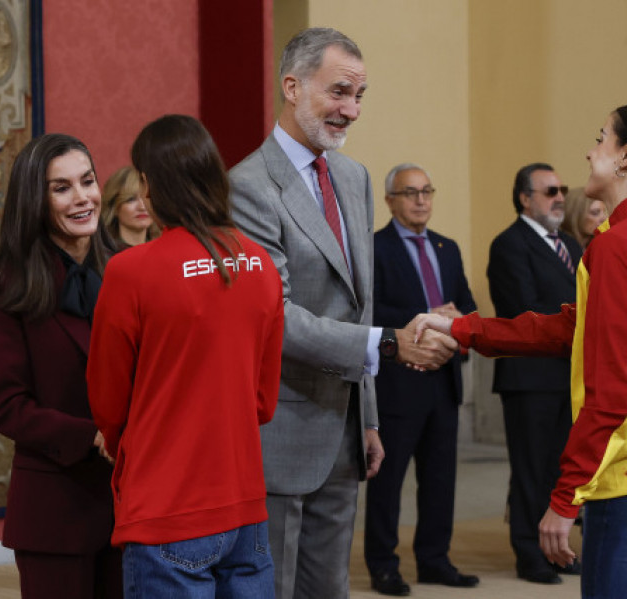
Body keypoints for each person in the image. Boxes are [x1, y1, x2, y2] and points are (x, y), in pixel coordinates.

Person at [415, 103, 627, 599]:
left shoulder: (619, 244)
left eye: (601, 138)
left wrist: (564, 499)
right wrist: (463, 329)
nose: (589, 149)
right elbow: (571, 329)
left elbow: (612, 393)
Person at [229, 27, 458, 599]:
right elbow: (272, 316)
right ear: (291, 86)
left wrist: (370, 417)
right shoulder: (247, 186)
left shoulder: (353, 178)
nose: (351, 111)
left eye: (359, 96)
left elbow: (361, 305)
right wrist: (388, 345)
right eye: (338, 93)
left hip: (346, 425)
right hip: (279, 426)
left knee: (328, 588)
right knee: (272, 587)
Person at [87, 114, 283, 597]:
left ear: (150, 185)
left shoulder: (130, 270)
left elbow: (109, 400)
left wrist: (121, 439)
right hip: (244, 505)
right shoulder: (260, 264)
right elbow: (262, 402)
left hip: (166, 505)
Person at [0, 133, 122, 599]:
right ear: (33, 200)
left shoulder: (128, 268)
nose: (83, 198)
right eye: (62, 188)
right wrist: (92, 436)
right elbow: (8, 406)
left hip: (133, 505)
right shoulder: (4, 280)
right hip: (54, 510)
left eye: (87, 181)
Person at [364, 163, 479, 596]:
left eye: (427, 190)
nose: (421, 200)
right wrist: (427, 325)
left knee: (439, 479)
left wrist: (457, 319)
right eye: (410, 192)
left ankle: (434, 559)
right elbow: (369, 312)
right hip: (398, 382)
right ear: (391, 200)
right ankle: (383, 564)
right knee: (388, 482)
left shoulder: (447, 247)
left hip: (443, 382)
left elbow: (468, 309)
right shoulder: (375, 247)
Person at [487, 163, 582, 585]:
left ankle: (555, 550)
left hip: (568, 375)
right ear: (525, 199)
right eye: (549, 191)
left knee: (560, 470)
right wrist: (571, 319)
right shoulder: (509, 244)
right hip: (529, 379)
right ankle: (529, 553)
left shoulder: (572, 245)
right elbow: (524, 311)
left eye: (561, 189)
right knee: (530, 469)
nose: (559, 197)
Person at [100, 165, 158, 249]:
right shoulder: (104, 254)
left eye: (147, 198)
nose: (142, 207)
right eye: (131, 199)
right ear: (114, 207)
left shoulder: (163, 249)